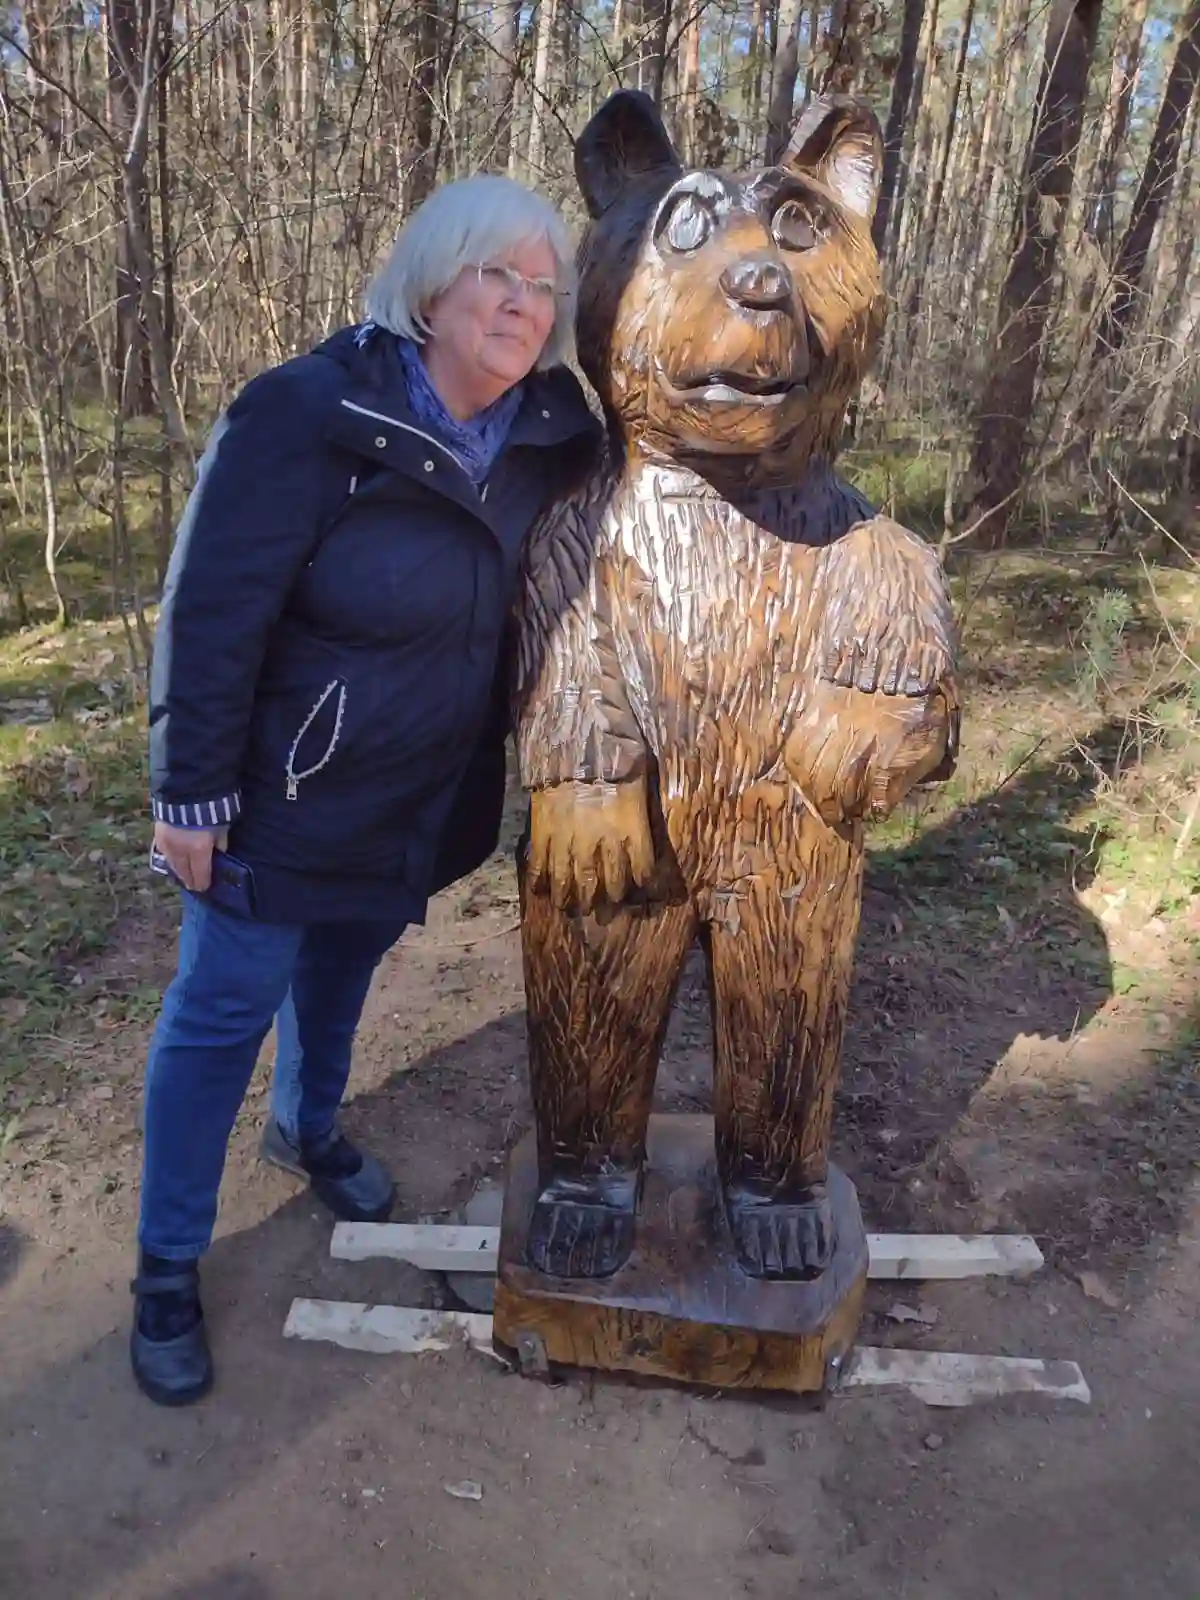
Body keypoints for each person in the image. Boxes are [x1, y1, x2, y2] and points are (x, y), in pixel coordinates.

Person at [133, 174, 600, 1407]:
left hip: (416, 798)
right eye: (496, 274)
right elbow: (210, 609)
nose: (521, 301)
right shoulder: (306, 414)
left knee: (341, 973)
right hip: (278, 796)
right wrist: (189, 792)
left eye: (542, 284)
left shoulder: (553, 440)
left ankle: (308, 1124)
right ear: (432, 286)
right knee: (221, 1012)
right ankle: (166, 1264)